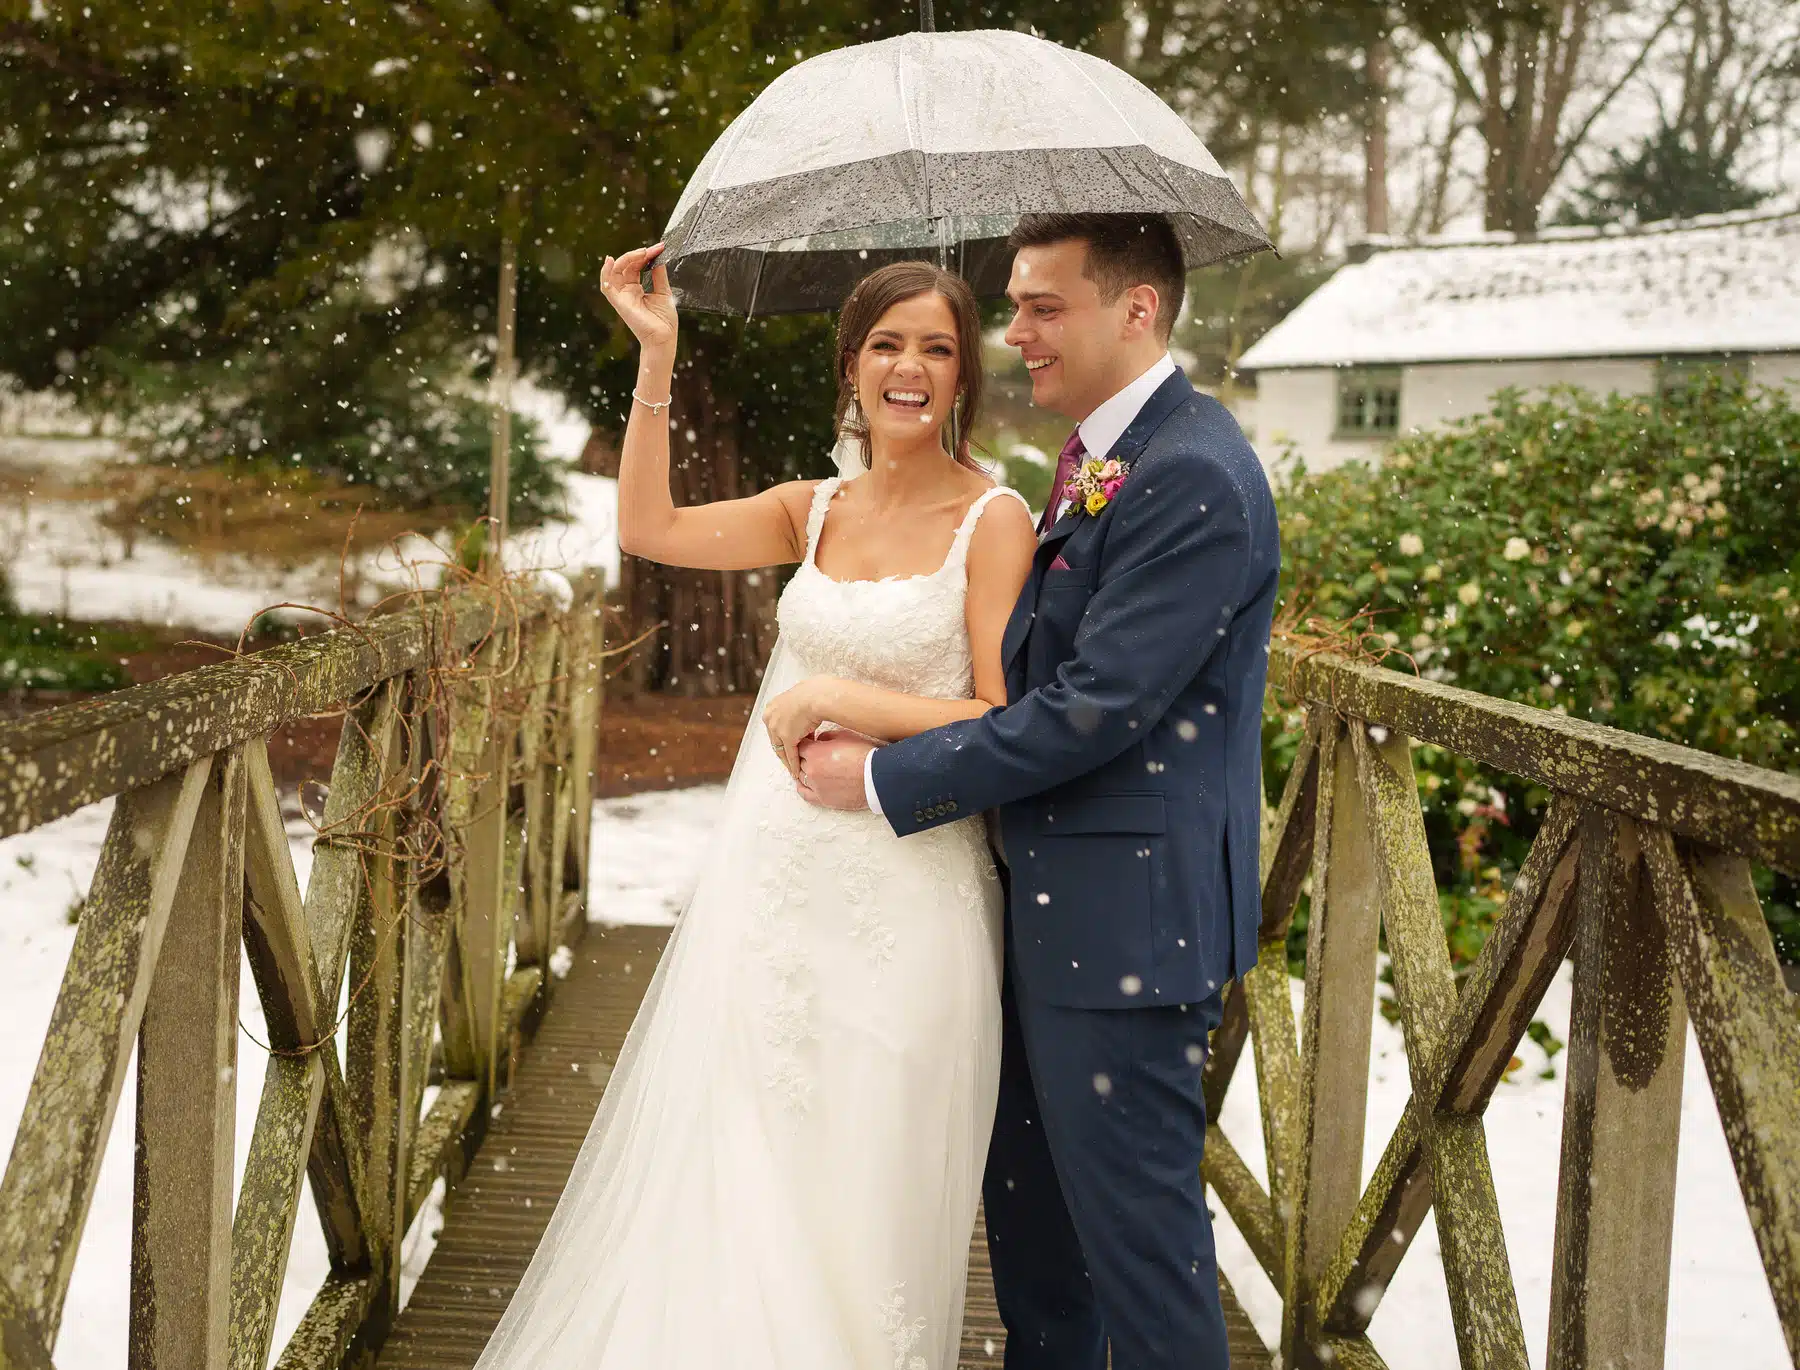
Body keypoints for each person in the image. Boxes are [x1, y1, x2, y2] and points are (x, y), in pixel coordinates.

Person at [471, 245, 1037, 1370]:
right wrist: (657, 357)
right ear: (851, 366)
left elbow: (998, 713)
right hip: (776, 884)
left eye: (936, 346)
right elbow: (650, 530)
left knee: (868, 1173)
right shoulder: (811, 507)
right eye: (887, 344)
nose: (910, 368)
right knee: (747, 1156)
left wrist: (841, 697)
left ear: (965, 374)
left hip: (909, 887)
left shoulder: (997, 518)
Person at [794, 213, 1282, 1370]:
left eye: (1042, 306)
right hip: (1051, 915)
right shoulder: (1111, 457)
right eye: (1014, 305)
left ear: (1139, 309)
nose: (1014, 332)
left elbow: (1091, 709)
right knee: (1044, 1260)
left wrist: (881, 771)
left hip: (1127, 932)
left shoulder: (1195, 474)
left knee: (1143, 1264)